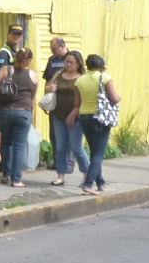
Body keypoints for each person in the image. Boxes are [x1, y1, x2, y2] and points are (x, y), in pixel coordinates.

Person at [68, 54, 122, 196]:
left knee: (94, 151)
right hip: (101, 118)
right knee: (98, 153)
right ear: (102, 66)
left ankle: (100, 183)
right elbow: (114, 98)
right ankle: (88, 184)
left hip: (85, 118)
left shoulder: (80, 80)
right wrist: (119, 97)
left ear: (87, 66)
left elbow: (77, 103)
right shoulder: (105, 77)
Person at [0, 48, 38, 187]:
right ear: (29, 60)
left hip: (4, 112)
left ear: (15, 57)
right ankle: (16, 179)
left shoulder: (5, 70)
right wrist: (30, 115)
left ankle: (6, 174)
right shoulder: (33, 75)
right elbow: (32, 99)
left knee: (6, 143)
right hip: (23, 113)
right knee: (19, 147)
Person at [46, 50, 89, 185]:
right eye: (66, 61)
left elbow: (85, 98)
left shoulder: (82, 78)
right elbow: (47, 87)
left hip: (76, 118)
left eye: (71, 62)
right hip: (58, 115)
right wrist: (51, 87)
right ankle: (61, 176)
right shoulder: (60, 74)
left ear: (78, 64)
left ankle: (87, 175)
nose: (68, 64)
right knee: (60, 147)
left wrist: (74, 113)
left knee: (76, 148)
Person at [0, 24, 24, 161]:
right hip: (4, 94)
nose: (16, 36)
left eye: (18, 34)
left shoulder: (18, 52)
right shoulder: (4, 53)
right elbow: (0, 74)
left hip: (15, 95)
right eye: (13, 34)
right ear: (8, 35)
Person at [43, 37, 71, 171]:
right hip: (54, 101)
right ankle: (57, 162)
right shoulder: (52, 60)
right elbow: (47, 80)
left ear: (62, 46)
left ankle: (68, 163)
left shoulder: (73, 58)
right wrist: (46, 99)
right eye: (51, 49)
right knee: (54, 133)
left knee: (70, 133)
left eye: (54, 49)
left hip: (69, 101)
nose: (52, 52)